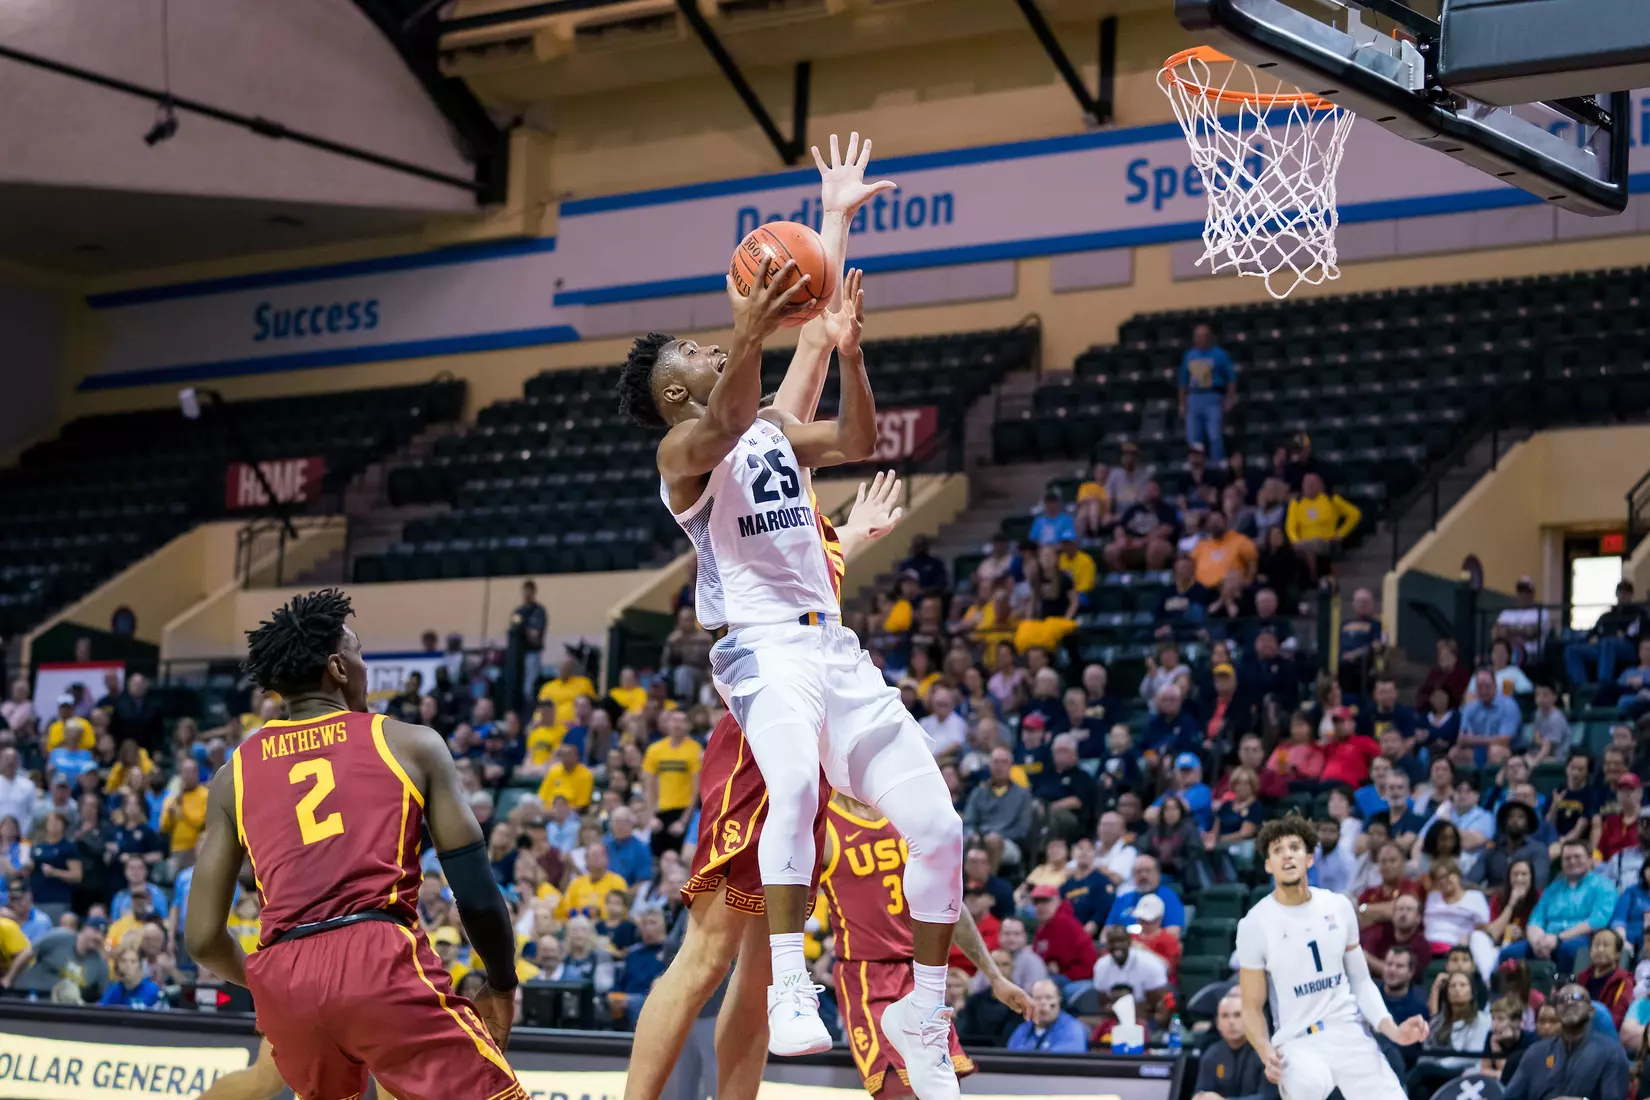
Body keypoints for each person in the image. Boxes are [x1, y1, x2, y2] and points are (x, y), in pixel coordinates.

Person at [626, 220, 964, 1077]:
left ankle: (924, 1011)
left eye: (715, 344)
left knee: (939, 827)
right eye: (695, 353)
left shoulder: (773, 423)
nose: (712, 350)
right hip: (762, 650)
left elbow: (853, 441)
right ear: (675, 395)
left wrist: (849, 353)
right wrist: (749, 325)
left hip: (833, 648)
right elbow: (730, 412)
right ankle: (788, 986)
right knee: (794, 792)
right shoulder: (681, 454)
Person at [182, 590, 524, 1100]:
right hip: (376, 959)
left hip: (285, 974)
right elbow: (474, 894)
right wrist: (500, 983)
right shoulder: (409, 743)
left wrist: (270, 985)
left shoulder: (233, 776)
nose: (365, 666)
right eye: (361, 653)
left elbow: (202, 939)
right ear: (339, 669)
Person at [819, 790, 1028, 1096]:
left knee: (943, 1090)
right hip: (866, 976)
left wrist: (995, 976)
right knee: (895, 1090)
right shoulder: (822, 824)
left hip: (921, 973)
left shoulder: (910, 814)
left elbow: (949, 903)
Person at [1236, 816, 1428, 1100]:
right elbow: (1251, 1006)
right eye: (1277, 850)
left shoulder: (1338, 906)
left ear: (1309, 859)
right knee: (1308, 1086)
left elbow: (1361, 981)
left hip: (1348, 1032)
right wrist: (1266, 1051)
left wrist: (1393, 1030)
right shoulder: (1255, 924)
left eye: (1294, 847)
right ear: (1268, 865)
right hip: (1297, 1042)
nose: (1287, 855)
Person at [1496, 840, 1614, 973]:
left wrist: (1558, 938)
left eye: (1577, 857)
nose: (1572, 861)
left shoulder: (1603, 885)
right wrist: (1537, 942)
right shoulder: (1552, 888)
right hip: (1546, 940)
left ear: (1590, 859)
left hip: (1581, 939)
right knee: (1508, 954)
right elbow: (1535, 920)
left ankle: (1562, 990)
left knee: (1568, 950)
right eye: (1567, 858)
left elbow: (1597, 921)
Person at [1497, 983, 1628, 1100]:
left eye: (1577, 998)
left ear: (1591, 1011)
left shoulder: (1612, 1053)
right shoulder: (1535, 1053)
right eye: (1562, 1000)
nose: (1569, 1002)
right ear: (1557, 1012)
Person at [1192, 988, 1269, 1100]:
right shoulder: (1212, 1055)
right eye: (1225, 1016)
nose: (1231, 1022)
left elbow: (1269, 1097)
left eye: (1237, 1015)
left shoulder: (1264, 1053)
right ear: (1218, 1023)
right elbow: (1201, 1092)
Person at [1179, 324, 1237, 459]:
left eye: (1203, 336)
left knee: (1214, 436)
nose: (1200, 339)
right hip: (1194, 398)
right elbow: (1183, 381)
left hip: (1213, 397)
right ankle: (1196, 468)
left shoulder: (1220, 354)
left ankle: (1217, 464)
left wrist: (1230, 398)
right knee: (1193, 437)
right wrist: (1182, 403)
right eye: (1197, 336)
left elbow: (1231, 378)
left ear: (1209, 337)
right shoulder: (1189, 355)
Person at [1006, 979, 1087, 1053]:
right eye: (1037, 998)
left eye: (1049, 997)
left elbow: (1063, 1063)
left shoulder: (1072, 1028)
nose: (1043, 1003)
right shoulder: (1023, 1029)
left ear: (1059, 1000)